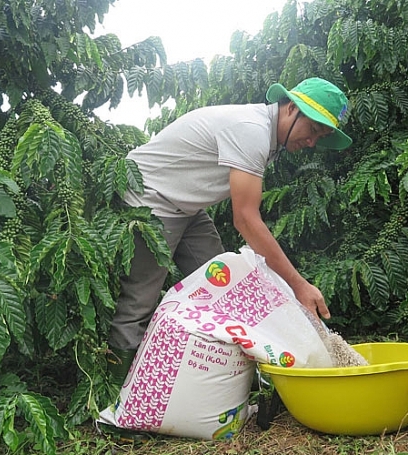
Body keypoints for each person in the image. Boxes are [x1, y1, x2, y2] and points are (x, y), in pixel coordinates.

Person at [106, 77, 353, 384]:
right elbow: (246, 220)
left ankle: (216, 378)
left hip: (187, 207)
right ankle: (117, 397)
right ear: (291, 108)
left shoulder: (268, 137)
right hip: (151, 200)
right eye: (313, 130)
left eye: (321, 136)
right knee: (139, 300)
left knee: (224, 286)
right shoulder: (252, 130)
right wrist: (299, 285)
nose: (312, 142)